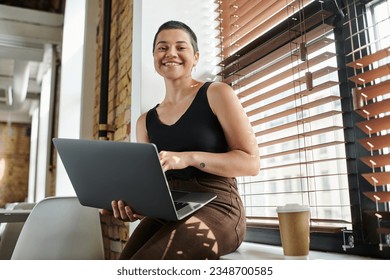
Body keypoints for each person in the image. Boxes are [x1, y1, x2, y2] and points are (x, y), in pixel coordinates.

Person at [110, 20, 260, 260]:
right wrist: (132, 205)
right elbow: (150, 184)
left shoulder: (217, 93)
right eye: (162, 48)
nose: (171, 53)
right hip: (169, 209)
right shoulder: (145, 121)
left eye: (181, 47)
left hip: (219, 208)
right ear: (154, 57)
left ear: (196, 57)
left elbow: (251, 164)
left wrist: (188, 158)